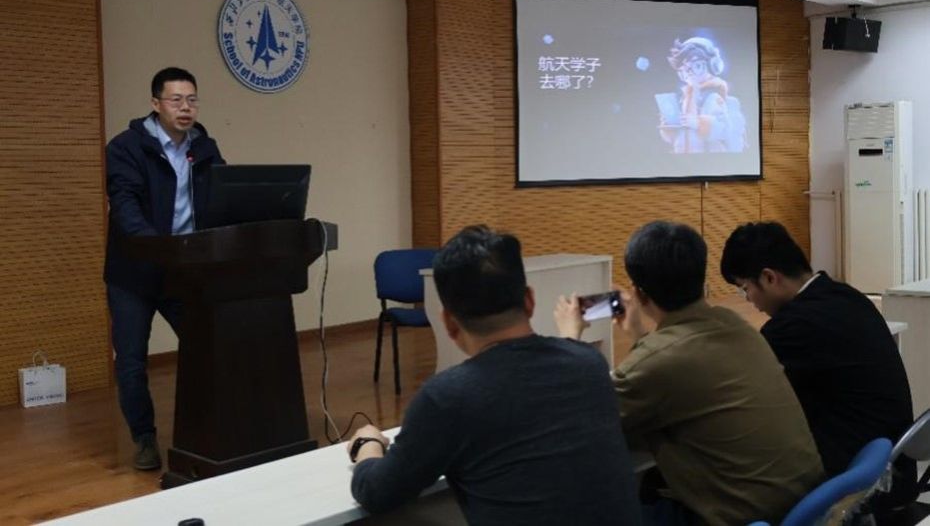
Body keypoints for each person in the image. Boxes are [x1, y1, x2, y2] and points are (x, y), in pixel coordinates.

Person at [348, 225, 642, 525]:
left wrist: (367, 443)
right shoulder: (590, 364)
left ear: (448, 322)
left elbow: (376, 491)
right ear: (529, 301)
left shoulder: (447, 398)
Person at [554, 221, 823, 525]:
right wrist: (640, 335)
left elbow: (576, 423)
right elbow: (674, 368)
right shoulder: (733, 323)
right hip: (799, 505)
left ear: (639, 293)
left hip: (740, 515)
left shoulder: (658, 361)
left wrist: (569, 341)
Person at [721, 221, 917, 515]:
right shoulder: (847, 296)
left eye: (745, 289)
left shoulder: (791, 327)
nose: (748, 300)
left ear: (769, 277)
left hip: (861, 485)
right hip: (893, 464)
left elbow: (743, 397)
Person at [103, 67, 225, 470]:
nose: (185, 108)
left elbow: (222, 199)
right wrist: (160, 250)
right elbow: (125, 208)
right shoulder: (125, 148)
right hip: (134, 273)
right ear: (156, 104)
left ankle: (206, 430)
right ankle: (144, 439)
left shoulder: (204, 147)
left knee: (207, 346)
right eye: (176, 100)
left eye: (191, 100)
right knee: (132, 362)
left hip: (184, 272)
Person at [656, 36, 745, 154]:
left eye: (697, 66)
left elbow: (726, 130)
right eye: (684, 71)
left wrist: (698, 123)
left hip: (711, 159)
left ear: (713, 65)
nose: (690, 74)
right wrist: (670, 127)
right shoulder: (684, 99)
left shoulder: (715, 97)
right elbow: (678, 138)